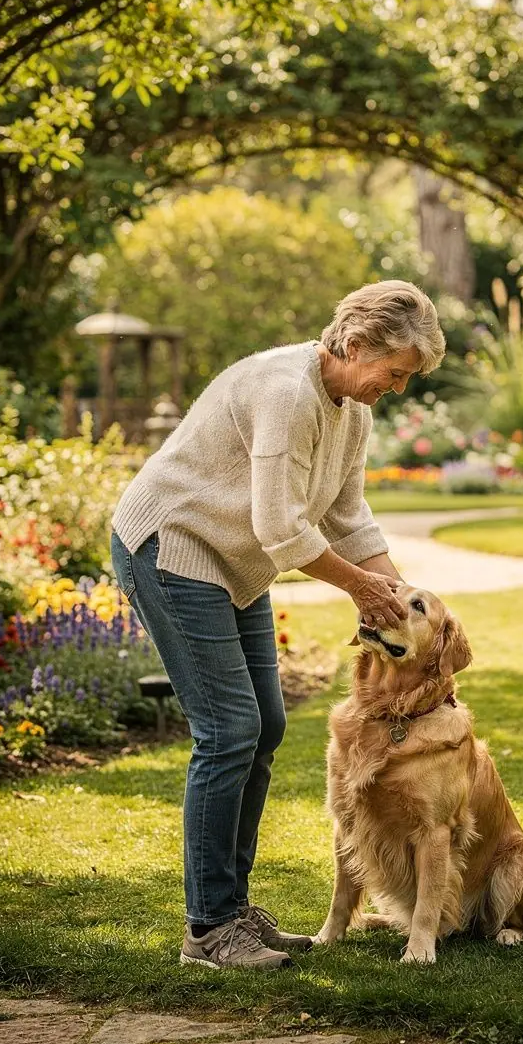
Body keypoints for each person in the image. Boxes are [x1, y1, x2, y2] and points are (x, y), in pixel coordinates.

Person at [110, 279, 446, 969]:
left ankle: (230, 908)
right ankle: (208, 930)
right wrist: (363, 591)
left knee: (266, 722)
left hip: (231, 563)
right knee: (228, 729)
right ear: (355, 345)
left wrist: (402, 595)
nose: (399, 388)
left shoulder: (353, 410)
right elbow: (280, 528)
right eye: (396, 372)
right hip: (171, 547)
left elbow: (347, 518)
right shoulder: (285, 392)